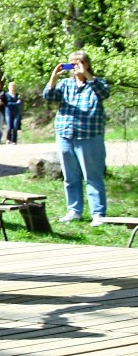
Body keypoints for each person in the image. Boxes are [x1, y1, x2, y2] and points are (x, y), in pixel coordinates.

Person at [43, 50, 110, 226]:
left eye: (78, 63)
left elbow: (104, 93)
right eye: (71, 63)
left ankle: (98, 213)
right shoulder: (65, 84)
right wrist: (53, 77)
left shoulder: (96, 83)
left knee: (93, 177)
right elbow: (49, 96)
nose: (74, 67)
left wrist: (86, 75)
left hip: (89, 136)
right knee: (70, 177)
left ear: (86, 64)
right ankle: (74, 210)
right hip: (65, 135)